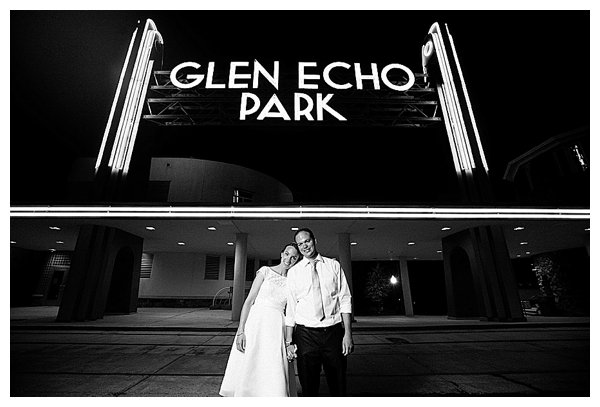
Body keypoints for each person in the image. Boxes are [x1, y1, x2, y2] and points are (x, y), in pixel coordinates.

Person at [219, 243, 301, 397]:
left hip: (276, 324)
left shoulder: (293, 280)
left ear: (297, 260)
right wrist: (241, 330)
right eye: (287, 254)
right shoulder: (265, 271)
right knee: (252, 358)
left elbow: (292, 310)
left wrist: (290, 339)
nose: (289, 259)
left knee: (272, 362)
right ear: (282, 253)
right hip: (256, 321)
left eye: (294, 257)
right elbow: (249, 301)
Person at [285, 228, 354, 396]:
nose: (304, 246)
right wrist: (289, 342)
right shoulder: (294, 272)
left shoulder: (333, 265)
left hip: (333, 333)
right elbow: (292, 309)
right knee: (309, 386)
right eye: (300, 244)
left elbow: (344, 299)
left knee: (338, 383)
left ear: (315, 240)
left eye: (307, 241)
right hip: (306, 335)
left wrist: (348, 334)